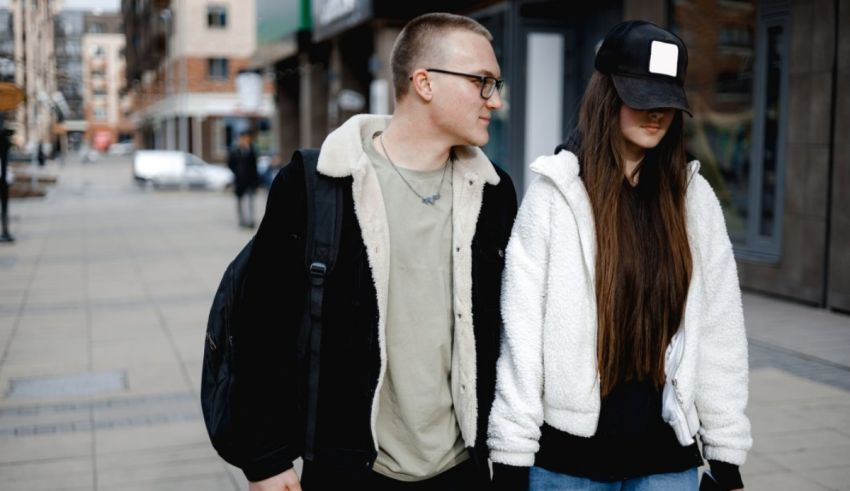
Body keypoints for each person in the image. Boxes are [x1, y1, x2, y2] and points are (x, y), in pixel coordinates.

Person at [222, 12, 517, 490]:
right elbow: (260, 327)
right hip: (351, 471)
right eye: (482, 82)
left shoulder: (494, 192)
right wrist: (266, 459)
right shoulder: (316, 185)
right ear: (424, 82)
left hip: (461, 470)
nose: (495, 100)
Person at [488, 21, 751, 491]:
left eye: (667, 101)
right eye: (641, 97)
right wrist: (511, 454)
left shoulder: (692, 200)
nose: (657, 115)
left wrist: (726, 452)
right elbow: (521, 338)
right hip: (566, 465)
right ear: (607, 95)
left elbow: (719, 332)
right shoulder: (556, 194)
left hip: (667, 462)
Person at [228, 130, 260, 228]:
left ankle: (250, 220)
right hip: (239, 181)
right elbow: (230, 164)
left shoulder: (252, 151)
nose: (245, 140)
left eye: (247, 138)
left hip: (250, 181)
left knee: (250, 201)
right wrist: (237, 172)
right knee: (240, 202)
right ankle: (242, 221)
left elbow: (255, 167)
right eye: (243, 138)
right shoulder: (235, 151)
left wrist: (256, 182)